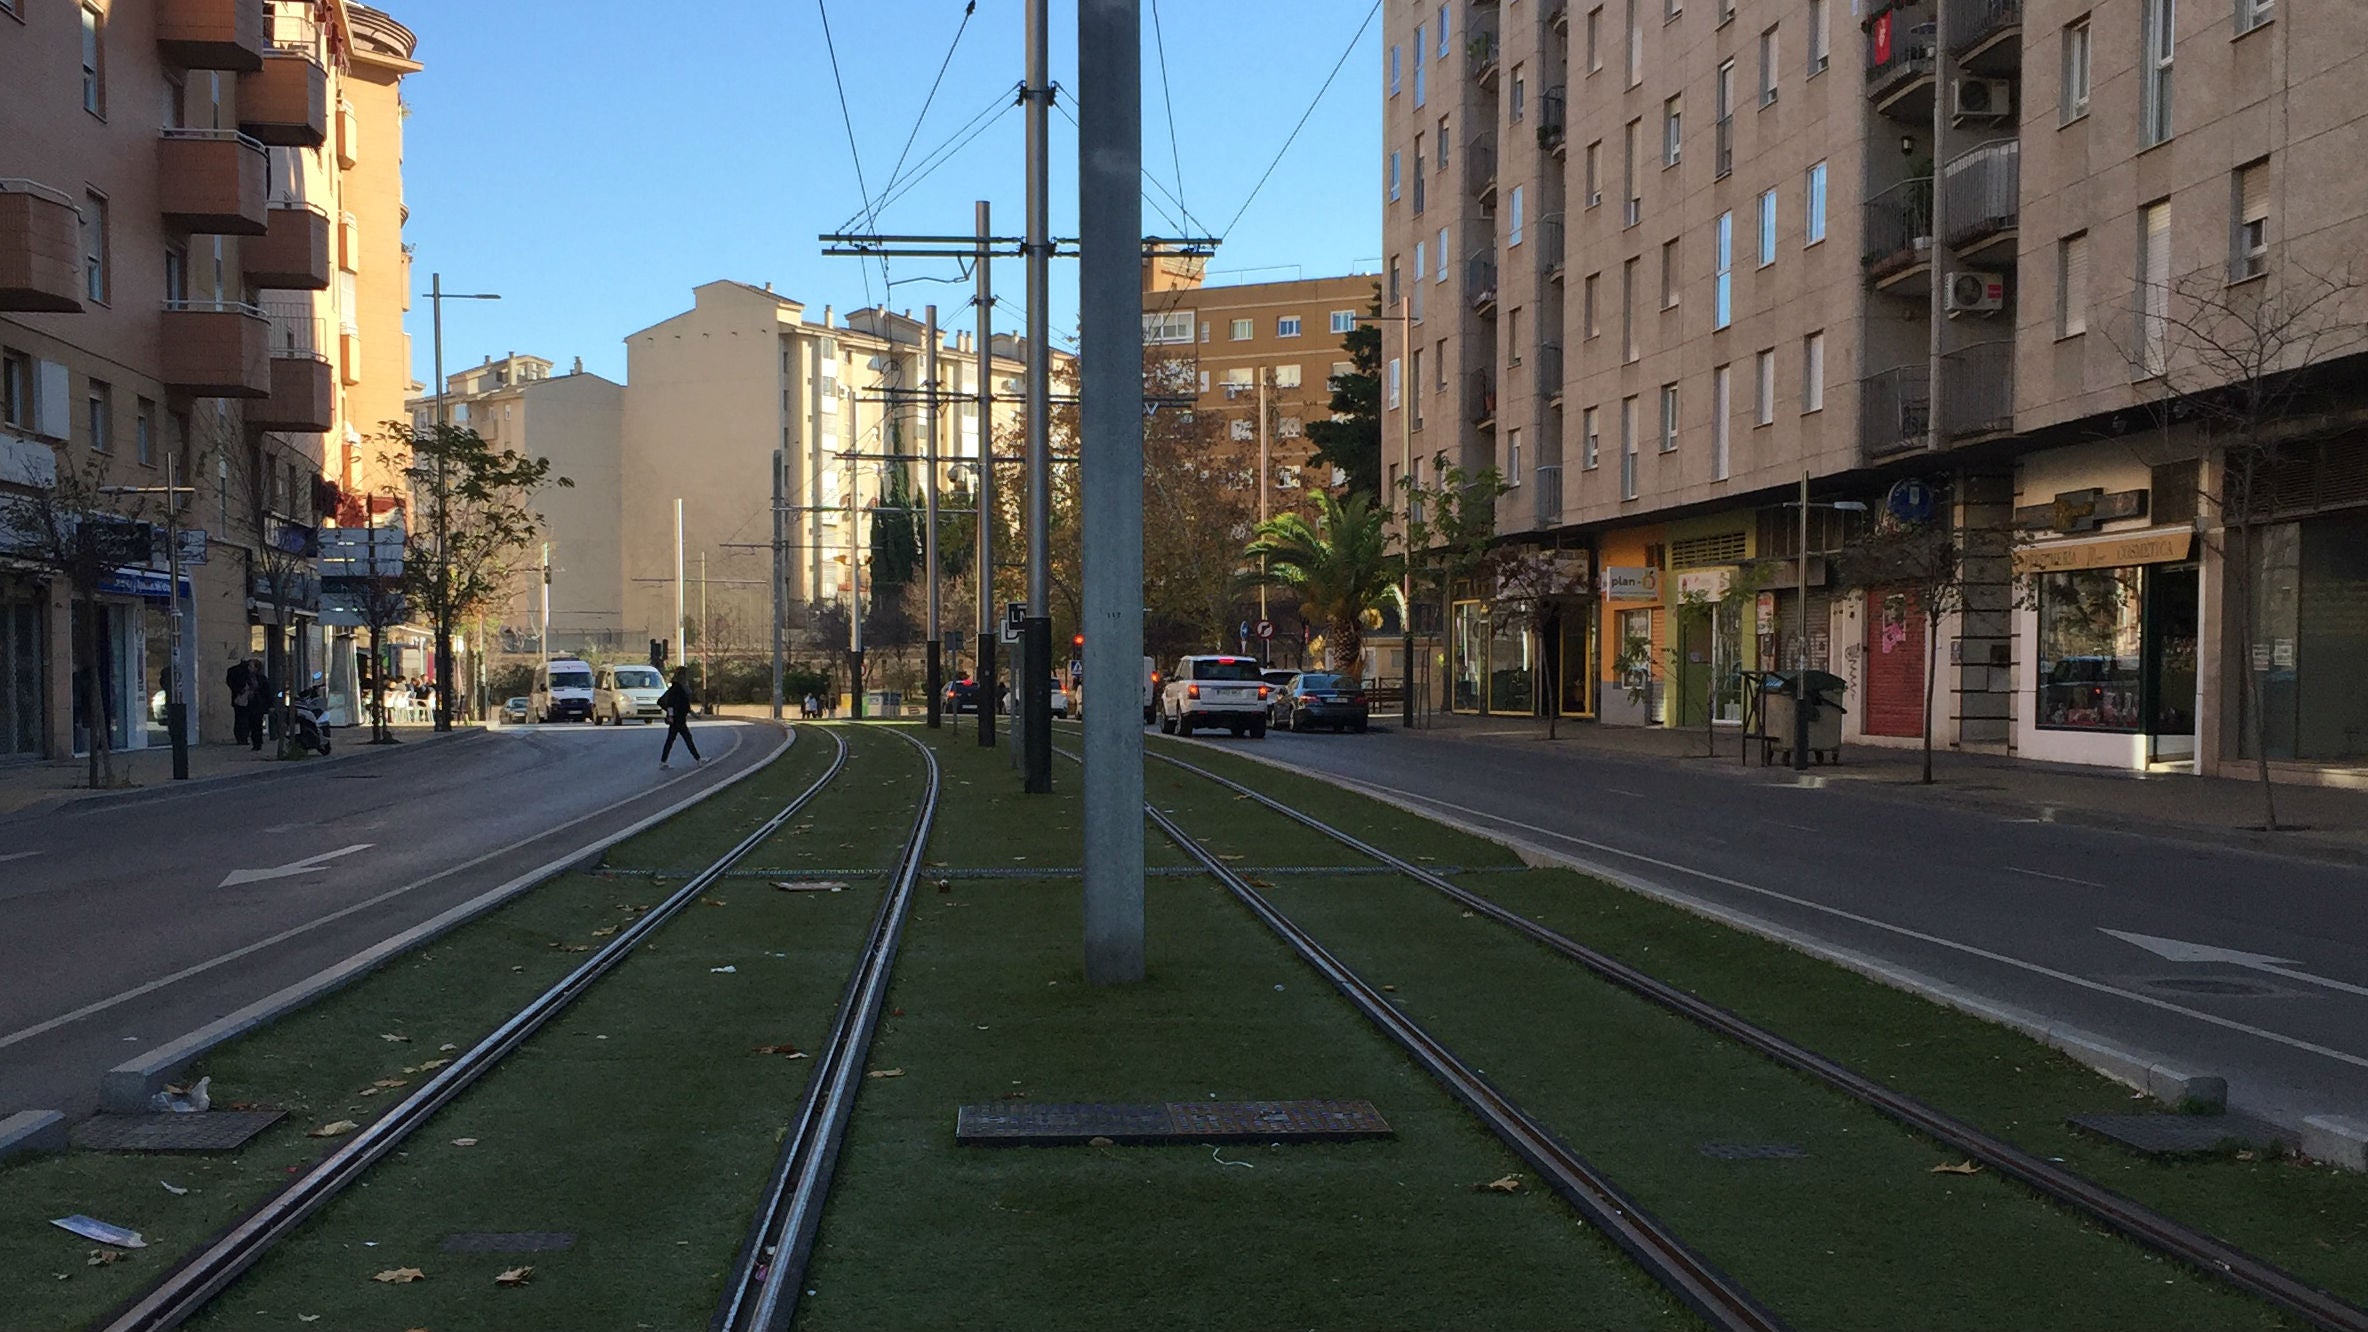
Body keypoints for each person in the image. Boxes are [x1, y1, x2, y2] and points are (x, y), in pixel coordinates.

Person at [657, 667, 701, 768]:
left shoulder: (680, 687)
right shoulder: (677, 688)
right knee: (687, 738)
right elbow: (672, 703)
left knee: (671, 740)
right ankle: (698, 759)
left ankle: (663, 761)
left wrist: (694, 714)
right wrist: (671, 715)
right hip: (677, 719)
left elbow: (685, 705)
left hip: (678, 718)